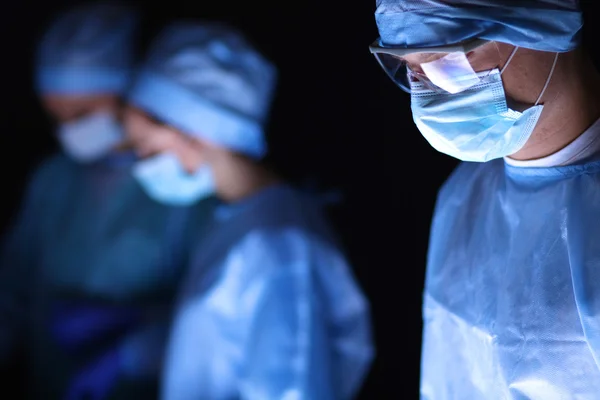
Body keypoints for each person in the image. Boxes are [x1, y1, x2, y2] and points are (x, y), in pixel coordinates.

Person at [123, 22, 374, 400]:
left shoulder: (277, 245)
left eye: (145, 145)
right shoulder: (241, 220)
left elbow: (292, 389)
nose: (140, 162)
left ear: (194, 127)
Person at [370, 0, 600, 397]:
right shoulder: (462, 196)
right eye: (411, 70)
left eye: (446, 62)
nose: (429, 96)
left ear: (543, 29)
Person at [0, 3, 216, 399]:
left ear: (129, 92)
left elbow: (212, 317)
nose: (70, 130)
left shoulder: (177, 185)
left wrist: (131, 348)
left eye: (83, 112)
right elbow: (14, 282)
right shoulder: (52, 179)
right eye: (56, 116)